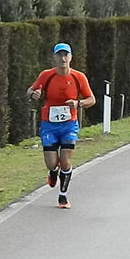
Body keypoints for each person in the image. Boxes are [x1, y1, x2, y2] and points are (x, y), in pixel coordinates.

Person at [27, 43, 95, 209]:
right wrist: (33, 95)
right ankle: (52, 172)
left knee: (65, 161)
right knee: (52, 163)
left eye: (66, 55)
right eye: (59, 55)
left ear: (71, 57)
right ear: (54, 58)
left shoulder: (79, 77)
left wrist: (78, 103)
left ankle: (63, 196)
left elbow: (91, 99)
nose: (62, 58)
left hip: (69, 125)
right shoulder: (46, 75)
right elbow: (30, 91)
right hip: (49, 125)